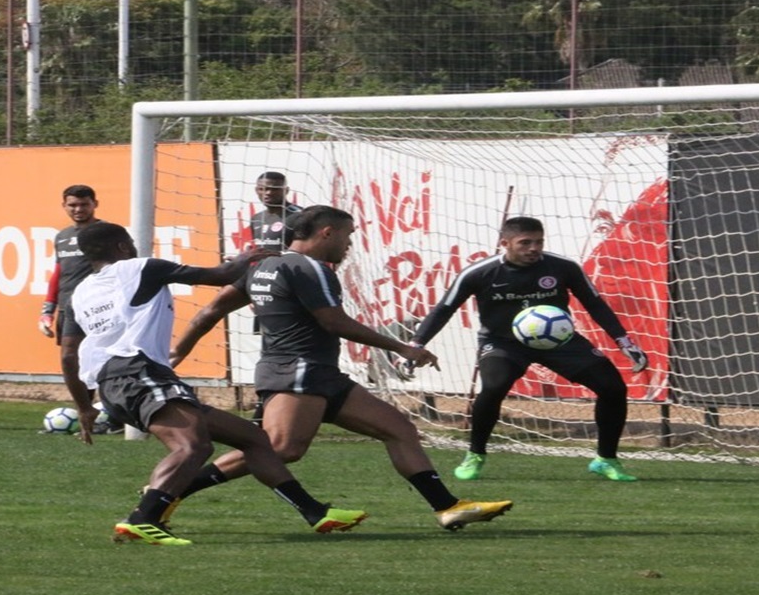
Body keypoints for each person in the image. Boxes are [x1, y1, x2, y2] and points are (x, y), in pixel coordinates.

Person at [172, 205, 515, 531]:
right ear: (326, 232)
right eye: (348, 236)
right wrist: (403, 347)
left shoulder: (263, 266)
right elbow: (334, 322)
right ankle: (168, 492)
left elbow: (209, 311)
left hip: (318, 374)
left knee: (398, 428)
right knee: (280, 449)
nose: (350, 245)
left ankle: (448, 507)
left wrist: (177, 352)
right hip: (299, 371)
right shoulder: (310, 268)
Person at [68, 221, 368, 546]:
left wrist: (85, 406)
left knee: (254, 439)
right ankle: (142, 518)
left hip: (114, 384)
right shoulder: (139, 268)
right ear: (124, 247)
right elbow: (219, 275)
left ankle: (315, 512)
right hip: (139, 373)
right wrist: (253, 256)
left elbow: (69, 354)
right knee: (192, 446)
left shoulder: (80, 293)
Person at [407, 216, 649, 482]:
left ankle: (606, 459)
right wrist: (416, 345)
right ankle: (475, 454)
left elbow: (595, 304)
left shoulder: (563, 267)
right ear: (505, 243)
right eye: (525, 243)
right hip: (502, 343)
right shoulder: (479, 273)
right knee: (494, 387)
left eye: (538, 242)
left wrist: (624, 342)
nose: (534, 248)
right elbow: (444, 308)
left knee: (613, 387)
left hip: (559, 341)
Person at [170, 171, 301, 371]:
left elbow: (307, 252)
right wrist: (244, 258)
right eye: (262, 189)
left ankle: (277, 380)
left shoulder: (299, 217)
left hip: (284, 280)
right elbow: (264, 249)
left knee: (276, 334)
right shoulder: (258, 218)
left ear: (286, 190)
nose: (266, 193)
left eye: (273, 189)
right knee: (212, 310)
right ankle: (173, 357)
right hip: (257, 274)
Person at [38, 184, 121, 435]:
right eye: (72, 205)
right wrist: (47, 309)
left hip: (99, 308)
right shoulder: (62, 236)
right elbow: (59, 273)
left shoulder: (107, 232)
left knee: (105, 362)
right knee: (71, 360)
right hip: (69, 308)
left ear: (95, 204)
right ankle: (87, 413)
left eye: (84, 204)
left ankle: (115, 416)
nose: (78, 209)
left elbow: (122, 268)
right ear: (64, 206)